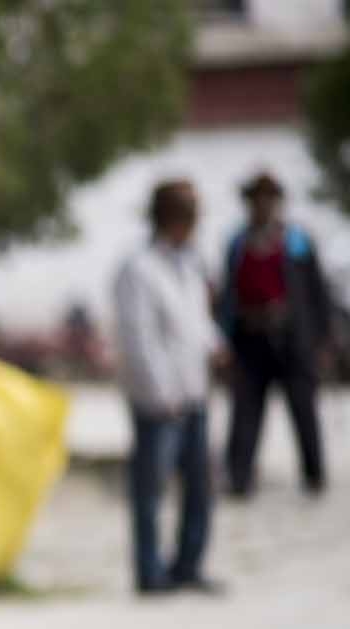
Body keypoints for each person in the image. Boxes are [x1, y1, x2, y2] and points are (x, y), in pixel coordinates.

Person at [113, 179, 224, 595]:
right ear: (168, 218)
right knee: (152, 490)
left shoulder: (191, 262)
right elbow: (138, 338)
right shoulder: (138, 268)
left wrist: (216, 345)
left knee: (201, 486)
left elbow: (196, 320)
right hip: (159, 402)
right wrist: (161, 394)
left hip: (194, 391)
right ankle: (150, 572)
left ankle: (188, 565)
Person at [218, 171, 333, 497]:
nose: (263, 205)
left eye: (268, 198)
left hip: (292, 339)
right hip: (250, 339)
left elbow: (317, 292)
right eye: (257, 199)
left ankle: (314, 474)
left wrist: (322, 339)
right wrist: (225, 341)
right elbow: (228, 295)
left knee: (303, 409)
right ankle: (239, 477)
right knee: (245, 412)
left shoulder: (296, 241)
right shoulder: (238, 244)